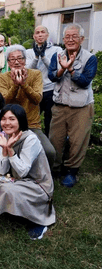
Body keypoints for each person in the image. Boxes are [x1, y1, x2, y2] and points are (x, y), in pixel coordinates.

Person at [0, 104, 56, 240]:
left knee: (9, 191)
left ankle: (37, 222)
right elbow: (1, 170)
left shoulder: (31, 139)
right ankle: (17, 214)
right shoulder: (4, 137)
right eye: (4, 119)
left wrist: (10, 150)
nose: (7, 123)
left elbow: (23, 171)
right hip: (17, 181)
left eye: (12, 119)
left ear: (21, 120)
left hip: (37, 184)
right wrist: (4, 149)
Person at [48, 24, 98, 187]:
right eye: (67, 37)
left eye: (74, 36)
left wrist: (70, 69)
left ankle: (71, 171)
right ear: (63, 40)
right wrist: (62, 69)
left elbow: (84, 82)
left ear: (81, 39)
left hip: (81, 106)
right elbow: (52, 77)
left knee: (78, 141)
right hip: (60, 104)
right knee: (55, 139)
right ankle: (54, 169)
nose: (70, 39)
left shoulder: (90, 58)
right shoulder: (57, 55)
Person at [0, 44, 56, 168]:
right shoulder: (3, 77)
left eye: (20, 58)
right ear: (8, 62)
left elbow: (37, 99)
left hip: (32, 125)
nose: (16, 62)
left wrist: (24, 85)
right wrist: (15, 85)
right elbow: (5, 101)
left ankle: (45, 178)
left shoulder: (35, 74)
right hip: (11, 126)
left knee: (49, 152)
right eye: (12, 59)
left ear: (25, 60)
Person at [26, 26, 62, 136]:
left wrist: (43, 56)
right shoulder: (28, 52)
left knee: (49, 120)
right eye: (37, 32)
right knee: (30, 119)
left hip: (51, 89)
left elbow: (56, 69)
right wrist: (36, 56)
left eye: (43, 32)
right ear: (34, 36)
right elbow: (28, 70)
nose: (40, 34)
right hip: (35, 90)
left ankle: (49, 146)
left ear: (47, 35)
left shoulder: (57, 50)